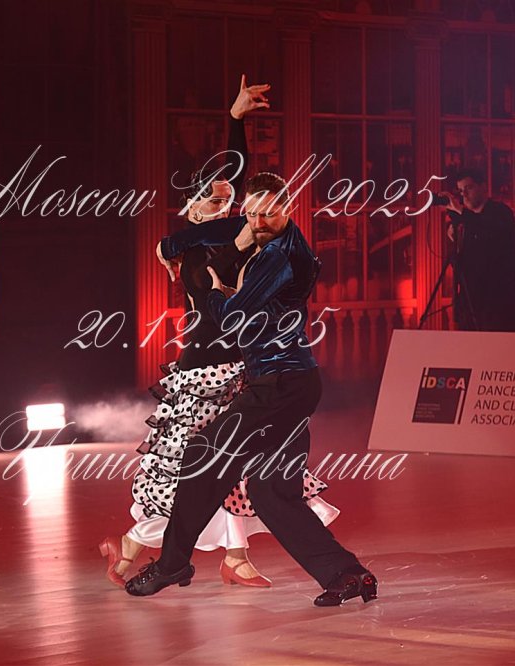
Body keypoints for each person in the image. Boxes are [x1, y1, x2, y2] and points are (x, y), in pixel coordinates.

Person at [99, 76, 338, 590]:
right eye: (214, 201)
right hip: (204, 372)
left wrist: (235, 120)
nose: (226, 208)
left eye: (230, 202)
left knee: (229, 471)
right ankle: (136, 550)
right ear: (192, 206)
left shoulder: (223, 235)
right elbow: (221, 261)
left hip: (240, 370)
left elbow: (237, 183)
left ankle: (225, 556)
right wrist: (186, 242)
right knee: (195, 474)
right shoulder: (195, 253)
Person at [126, 172, 377, 607]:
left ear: (288, 208)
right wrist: (169, 245)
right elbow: (222, 230)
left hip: (279, 386)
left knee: (202, 454)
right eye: (253, 213)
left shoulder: (280, 258)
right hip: (292, 384)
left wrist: (213, 292)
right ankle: (348, 574)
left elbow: (230, 319)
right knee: (270, 491)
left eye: (268, 213)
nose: (258, 222)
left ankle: (172, 563)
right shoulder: (270, 234)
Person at [439, 169, 515, 332]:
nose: (464, 195)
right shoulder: (465, 222)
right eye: (460, 191)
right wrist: (456, 241)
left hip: (497, 304)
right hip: (470, 303)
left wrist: (461, 212)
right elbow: (462, 264)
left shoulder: (501, 212)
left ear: (483, 187)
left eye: (468, 188)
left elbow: (489, 233)